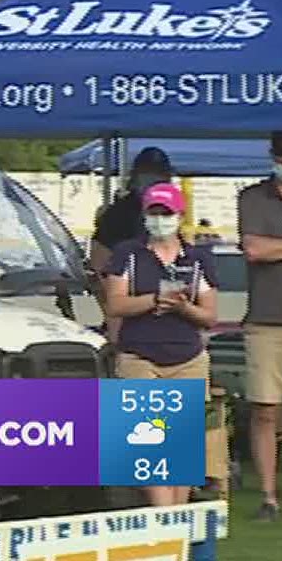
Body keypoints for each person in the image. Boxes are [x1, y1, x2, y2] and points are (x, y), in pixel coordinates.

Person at [99, 182, 219, 508]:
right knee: (148, 440)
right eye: (154, 212)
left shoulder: (197, 260)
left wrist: (182, 308)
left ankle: (175, 521)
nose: (160, 219)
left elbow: (209, 316)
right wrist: (155, 300)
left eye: (166, 213)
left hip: (187, 357)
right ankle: (163, 515)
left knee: (181, 442)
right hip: (140, 354)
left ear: (179, 216)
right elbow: (115, 305)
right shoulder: (128, 254)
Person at [239, 130, 282, 521]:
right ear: (272, 154)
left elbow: (265, 249)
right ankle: (268, 496)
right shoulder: (252, 196)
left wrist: (277, 248)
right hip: (267, 319)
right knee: (265, 410)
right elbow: (254, 250)